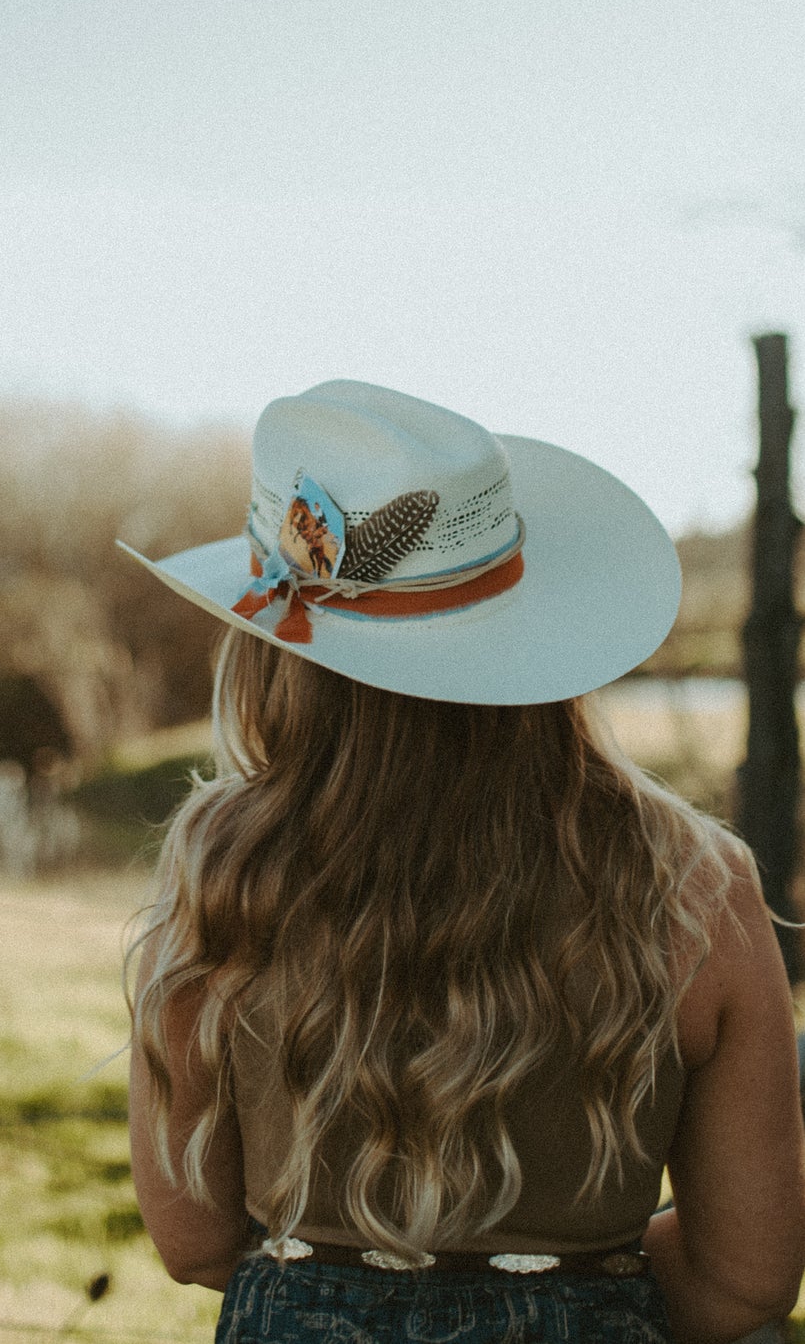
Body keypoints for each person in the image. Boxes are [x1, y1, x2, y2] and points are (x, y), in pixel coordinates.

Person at [120, 380, 805, 1344]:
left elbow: (192, 1238)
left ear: (273, 643)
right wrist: (577, 1290)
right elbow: (748, 1275)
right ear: (536, 630)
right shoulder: (695, 887)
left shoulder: (222, 866)